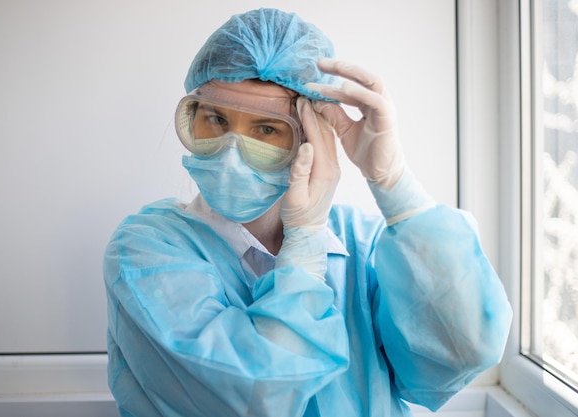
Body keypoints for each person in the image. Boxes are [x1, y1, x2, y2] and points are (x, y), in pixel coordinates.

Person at [104, 8, 512, 417]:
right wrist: (302, 247)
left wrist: (395, 186)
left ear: (310, 136)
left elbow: (462, 352)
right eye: (215, 119)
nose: (231, 152)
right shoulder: (146, 251)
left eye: (266, 129)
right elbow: (254, 395)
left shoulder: (364, 244)